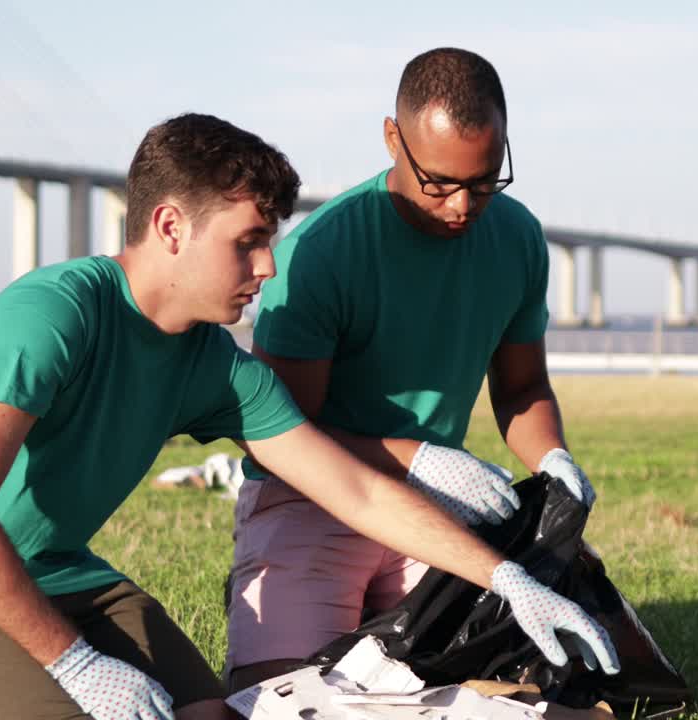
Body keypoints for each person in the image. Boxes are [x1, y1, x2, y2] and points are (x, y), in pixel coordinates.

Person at [0, 112, 617, 720]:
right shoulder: (52, 317)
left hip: (56, 567)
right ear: (171, 227)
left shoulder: (214, 365)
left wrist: (505, 577)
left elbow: (354, 488)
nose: (268, 266)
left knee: (215, 715)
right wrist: (73, 663)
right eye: (249, 242)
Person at [225, 47, 606, 691]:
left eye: (484, 182)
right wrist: (418, 458)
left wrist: (552, 458)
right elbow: (283, 433)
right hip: (312, 498)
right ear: (392, 139)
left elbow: (522, 388)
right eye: (439, 183)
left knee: (523, 688)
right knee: (282, 697)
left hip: (431, 511)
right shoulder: (322, 253)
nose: (462, 206)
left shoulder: (517, 238)